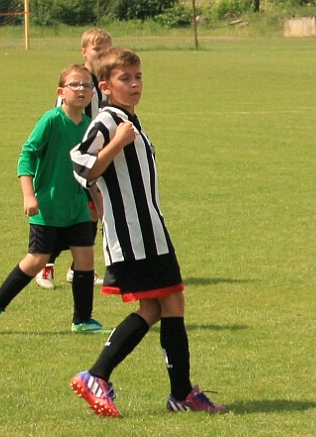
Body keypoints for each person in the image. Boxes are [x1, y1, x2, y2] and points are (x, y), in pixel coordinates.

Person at [67, 48, 224, 417]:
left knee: (160, 305)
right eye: (125, 78)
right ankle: (108, 378)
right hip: (133, 234)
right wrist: (117, 143)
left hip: (149, 229)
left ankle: (167, 390)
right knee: (168, 303)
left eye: (138, 77)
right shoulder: (108, 120)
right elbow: (82, 166)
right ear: (105, 86)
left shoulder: (127, 117)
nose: (135, 84)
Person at [0, 65, 107, 335]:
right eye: (75, 85)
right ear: (61, 92)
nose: (82, 90)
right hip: (48, 208)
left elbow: (89, 172)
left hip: (77, 208)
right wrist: (29, 195)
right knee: (36, 260)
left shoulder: (89, 127)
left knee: (85, 259)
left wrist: (100, 204)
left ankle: (82, 319)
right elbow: (27, 155)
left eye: (87, 85)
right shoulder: (51, 120)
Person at [36, 28, 113, 290]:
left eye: (106, 48)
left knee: (91, 214)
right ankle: (46, 266)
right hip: (72, 160)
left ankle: (78, 268)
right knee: (65, 215)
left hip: (96, 158)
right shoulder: (77, 81)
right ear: (84, 52)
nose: (102, 53)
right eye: (97, 49)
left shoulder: (106, 82)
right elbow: (62, 120)